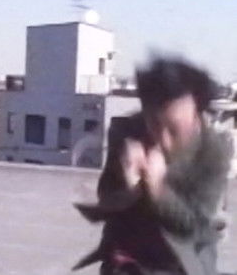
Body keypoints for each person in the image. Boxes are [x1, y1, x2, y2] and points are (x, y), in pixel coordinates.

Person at [73, 57, 234, 275]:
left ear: (197, 113)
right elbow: (105, 202)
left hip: (181, 265)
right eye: (155, 124)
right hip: (127, 262)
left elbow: (196, 227)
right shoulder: (128, 132)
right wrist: (130, 191)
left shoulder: (214, 151)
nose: (163, 140)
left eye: (175, 130)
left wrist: (158, 188)